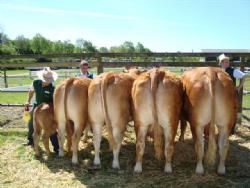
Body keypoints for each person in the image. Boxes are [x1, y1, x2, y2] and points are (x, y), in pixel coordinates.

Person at [24, 67, 59, 154]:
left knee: (52, 128)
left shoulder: (52, 88)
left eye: (49, 80)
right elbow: (31, 91)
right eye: (46, 79)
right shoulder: (35, 82)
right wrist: (27, 101)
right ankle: (30, 140)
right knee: (31, 123)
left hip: (48, 109)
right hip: (37, 106)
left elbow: (55, 100)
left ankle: (56, 148)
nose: (48, 81)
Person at [218, 53, 246, 134]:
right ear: (221, 63)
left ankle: (231, 129)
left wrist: (239, 87)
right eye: (225, 61)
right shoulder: (218, 71)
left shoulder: (233, 70)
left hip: (231, 95)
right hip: (221, 95)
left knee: (231, 112)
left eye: (228, 61)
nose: (227, 63)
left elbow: (243, 76)